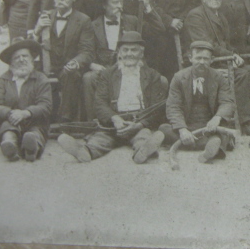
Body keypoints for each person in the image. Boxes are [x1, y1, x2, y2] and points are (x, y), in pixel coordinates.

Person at [57, 32, 167, 164]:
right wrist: (115, 119)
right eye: (125, 50)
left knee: (143, 136)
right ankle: (85, 152)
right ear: (119, 53)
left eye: (134, 50)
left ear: (141, 53)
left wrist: (139, 125)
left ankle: (142, 151)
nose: (129, 54)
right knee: (100, 139)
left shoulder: (152, 75)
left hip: (138, 122)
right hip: (112, 124)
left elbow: (156, 108)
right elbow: (100, 103)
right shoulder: (107, 74)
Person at [184, 0, 250, 134]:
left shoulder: (221, 16)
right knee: (241, 75)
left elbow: (226, 45)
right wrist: (231, 56)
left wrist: (233, 55)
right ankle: (247, 121)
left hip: (223, 61)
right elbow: (206, 45)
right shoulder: (196, 16)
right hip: (207, 63)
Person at [83, 0, 164, 119]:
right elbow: (87, 49)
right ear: (104, 5)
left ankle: (147, 120)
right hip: (105, 68)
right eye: (115, 3)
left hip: (132, 65)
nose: (120, 6)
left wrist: (147, 6)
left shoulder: (132, 21)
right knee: (88, 78)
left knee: (161, 80)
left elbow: (159, 29)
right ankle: (94, 121)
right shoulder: (93, 25)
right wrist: (92, 64)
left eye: (121, 2)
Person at [159, 41, 236, 164]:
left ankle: (202, 145)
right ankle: (210, 145)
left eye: (206, 59)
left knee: (222, 132)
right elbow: (173, 106)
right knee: (164, 128)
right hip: (187, 124)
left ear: (212, 60)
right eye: (198, 58)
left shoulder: (219, 77)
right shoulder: (179, 77)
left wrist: (216, 118)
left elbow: (227, 102)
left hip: (210, 126)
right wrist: (182, 129)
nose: (202, 62)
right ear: (190, 58)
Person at [32, 0, 95, 122]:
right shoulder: (45, 17)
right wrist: (37, 30)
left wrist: (76, 62)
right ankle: (38, 119)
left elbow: (87, 51)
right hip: (46, 66)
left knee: (70, 74)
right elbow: (31, 48)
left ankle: (65, 120)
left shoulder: (83, 20)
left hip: (68, 66)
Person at [0, 39, 52, 162]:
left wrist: (26, 113)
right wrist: (9, 113)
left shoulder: (41, 79)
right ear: (11, 62)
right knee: (7, 129)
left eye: (25, 56)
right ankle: (10, 146)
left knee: (35, 132)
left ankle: (31, 149)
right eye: (16, 57)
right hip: (11, 120)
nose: (21, 60)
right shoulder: (3, 80)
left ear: (32, 59)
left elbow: (46, 105)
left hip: (34, 120)